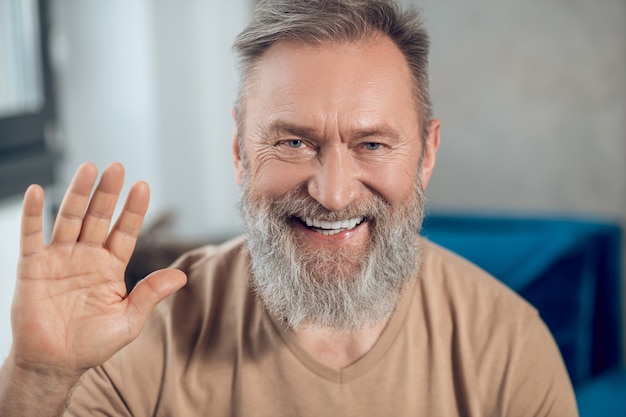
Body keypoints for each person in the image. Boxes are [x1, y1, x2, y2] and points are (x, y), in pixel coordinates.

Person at [0, 0, 578, 415]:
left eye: (372, 144)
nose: (332, 193)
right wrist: (37, 377)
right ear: (239, 152)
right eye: (294, 142)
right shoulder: (147, 341)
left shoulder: (508, 348)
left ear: (426, 154)